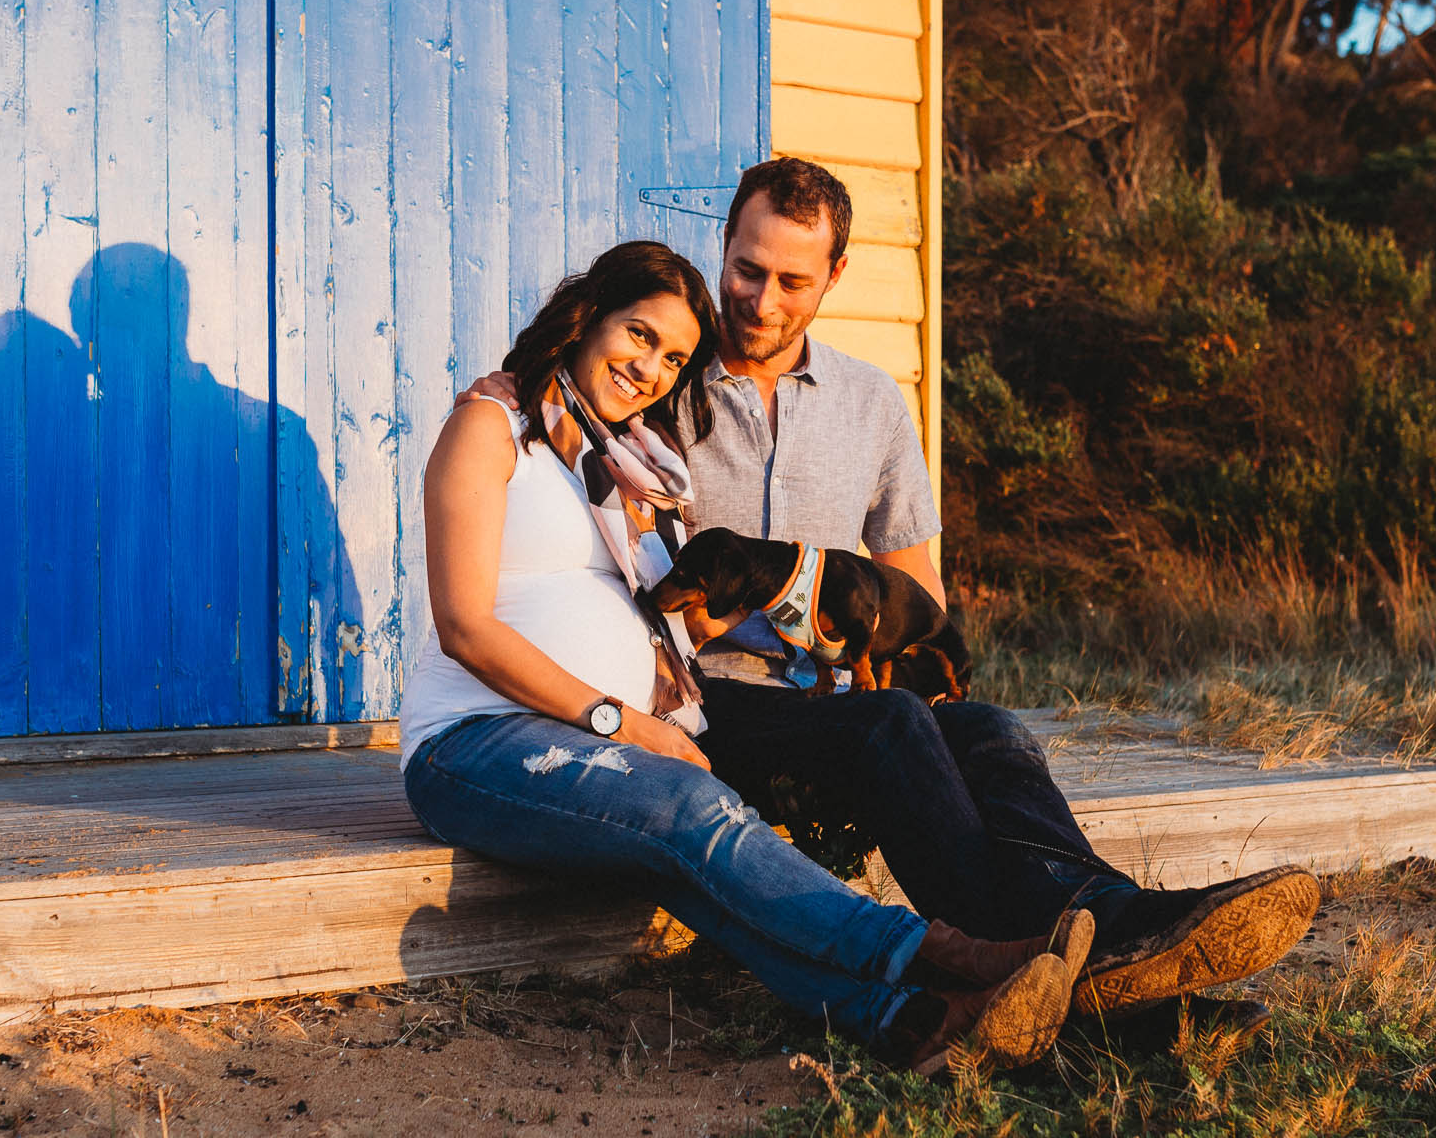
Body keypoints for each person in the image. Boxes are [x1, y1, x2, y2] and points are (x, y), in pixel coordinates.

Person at [464, 160, 1320, 1022]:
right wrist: (518, 384)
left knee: (984, 726)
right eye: (747, 270)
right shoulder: (665, 383)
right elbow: (574, 412)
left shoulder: (872, 404)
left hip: (839, 704)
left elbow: (920, 606)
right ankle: (1051, 975)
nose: (762, 301)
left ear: (836, 275)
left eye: (794, 280)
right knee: (892, 723)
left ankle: (1109, 921)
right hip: (714, 705)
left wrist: (809, 584)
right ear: (722, 248)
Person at [401, 240, 1096, 1075]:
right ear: (588, 316)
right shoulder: (493, 425)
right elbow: (463, 625)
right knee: (688, 809)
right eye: (639, 334)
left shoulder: (637, 472)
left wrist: (797, 608)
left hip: (604, 738)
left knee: (690, 851)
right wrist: (621, 720)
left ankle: (914, 1021)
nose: (651, 366)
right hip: (475, 741)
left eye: (674, 357)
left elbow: (676, 622)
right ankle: (943, 955)